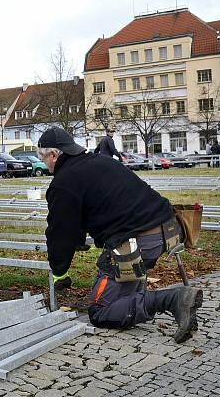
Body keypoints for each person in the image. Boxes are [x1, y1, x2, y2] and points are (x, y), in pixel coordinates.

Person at [37, 127, 203, 343]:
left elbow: (60, 231)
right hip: (169, 228)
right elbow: (86, 208)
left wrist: (59, 270)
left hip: (137, 241)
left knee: (100, 311)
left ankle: (173, 299)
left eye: (43, 158)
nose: (44, 164)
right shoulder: (101, 162)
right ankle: (163, 303)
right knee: (124, 296)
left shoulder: (63, 182)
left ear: (54, 155)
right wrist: (78, 239)